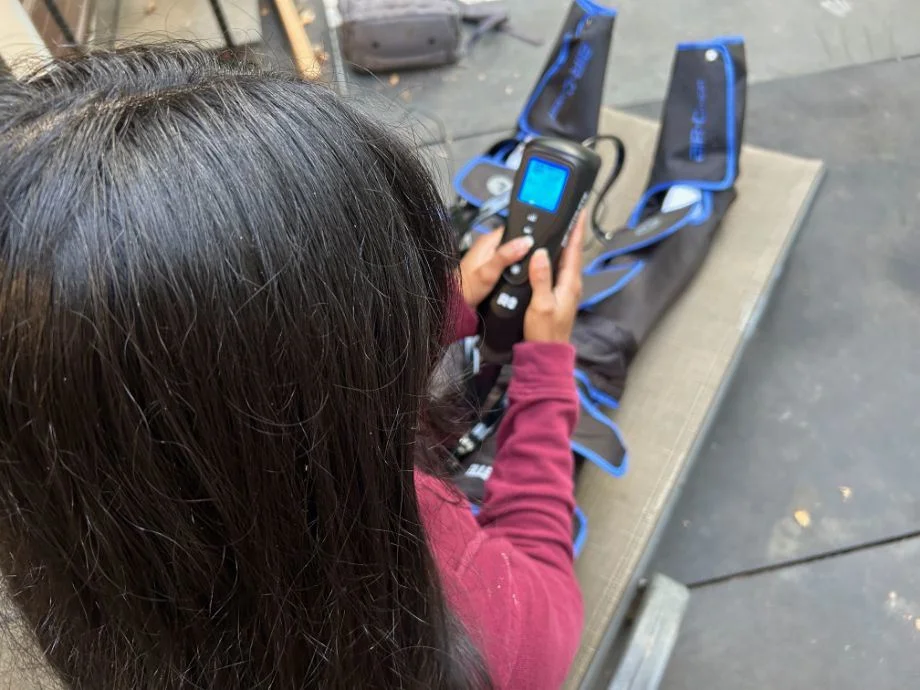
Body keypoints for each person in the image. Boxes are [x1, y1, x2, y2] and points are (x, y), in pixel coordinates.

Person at [0, 45, 582, 690]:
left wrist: (439, 307)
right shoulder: (466, 605)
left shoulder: (72, 565)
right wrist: (547, 369)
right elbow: (545, 596)